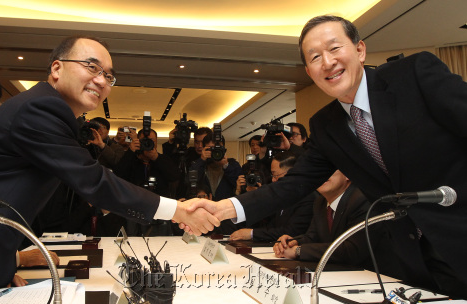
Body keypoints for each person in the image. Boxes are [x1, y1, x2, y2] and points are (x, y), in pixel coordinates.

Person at [185, 15, 467, 298]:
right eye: (315, 57)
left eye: (334, 48)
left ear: (360, 50)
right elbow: (292, 185)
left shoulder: (413, 74)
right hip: (411, 259)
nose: (328, 62)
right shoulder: (326, 124)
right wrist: (224, 209)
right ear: (309, 71)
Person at [0, 35, 217, 289]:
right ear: (57, 68)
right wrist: (177, 210)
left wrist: (3, 263)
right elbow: (95, 182)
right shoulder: (40, 108)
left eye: (109, 76)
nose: (101, 80)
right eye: (91, 67)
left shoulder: (50, 111)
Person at [272, 170, 372, 266]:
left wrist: (298, 251)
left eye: (329, 168)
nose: (322, 173)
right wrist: (292, 243)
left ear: (347, 174)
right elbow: (312, 237)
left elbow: (351, 250)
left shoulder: (362, 199)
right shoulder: (320, 202)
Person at [229, 151, 315, 241]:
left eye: (275, 175)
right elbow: (269, 226)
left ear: (290, 173)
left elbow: (292, 232)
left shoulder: (307, 198)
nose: (273, 180)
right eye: (272, 175)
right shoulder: (280, 196)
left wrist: (251, 233)